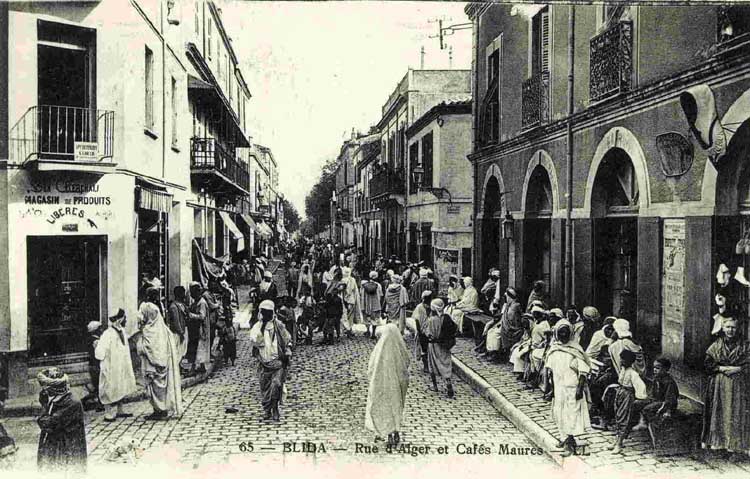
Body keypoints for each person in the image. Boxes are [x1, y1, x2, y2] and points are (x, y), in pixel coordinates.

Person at [701, 316, 750, 454]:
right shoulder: (716, 345)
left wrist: (738, 369)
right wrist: (721, 369)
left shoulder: (745, 345)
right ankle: (718, 441)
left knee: (736, 411)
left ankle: (735, 443)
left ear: (737, 328)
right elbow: (707, 364)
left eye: (733, 327)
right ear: (723, 328)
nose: (730, 330)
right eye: (728, 327)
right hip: (719, 384)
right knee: (719, 410)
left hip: (738, 384)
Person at [545, 320, 592, 457]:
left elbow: (583, 371)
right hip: (559, 388)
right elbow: (550, 372)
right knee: (559, 413)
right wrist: (551, 389)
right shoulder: (554, 349)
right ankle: (564, 437)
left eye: (566, 332)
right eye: (561, 332)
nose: (563, 335)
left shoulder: (575, 350)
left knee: (571, 414)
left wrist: (579, 388)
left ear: (570, 333)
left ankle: (570, 443)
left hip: (572, 388)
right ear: (556, 334)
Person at [365, 323, 410, 447]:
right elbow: (407, 362)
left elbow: (371, 368)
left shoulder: (379, 349)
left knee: (386, 408)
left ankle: (389, 433)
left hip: (383, 385)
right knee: (396, 406)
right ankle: (396, 432)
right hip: (398, 384)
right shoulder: (400, 347)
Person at [136, 302, 183, 420]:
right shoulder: (163, 329)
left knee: (155, 386)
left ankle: (160, 410)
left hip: (153, 365)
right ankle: (160, 409)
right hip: (161, 363)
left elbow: (145, 348)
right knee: (159, 386)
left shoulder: (148, 330)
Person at [36, 368, 87, 472]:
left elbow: (47, 423)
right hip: (55, 443)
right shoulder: (54, 398)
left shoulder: (71, 403)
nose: (43, 391)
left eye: (45, 388)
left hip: (67, 447)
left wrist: (45, 408)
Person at [249, 300, 292, 421]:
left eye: (268, 312)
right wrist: (262, 329)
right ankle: (267, 410)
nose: (266, 315)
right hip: (264, 363)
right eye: (264, 312)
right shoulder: (257, 326)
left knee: (276, 385)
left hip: (277, 362)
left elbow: (287, 339)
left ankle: (275, 409)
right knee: (265, 388)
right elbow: (255, 341)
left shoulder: (279, 326)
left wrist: (287, 352)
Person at [94, 309, 136, 422]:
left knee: (121, 385)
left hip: (121, 365)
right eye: (124, 318)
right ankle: (108, 413)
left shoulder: (121, 331)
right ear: (119, 320)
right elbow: (100, 351)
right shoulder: (108, 334)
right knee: (109, 387)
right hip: (111, 365)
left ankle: (120, 410)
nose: (126, 320)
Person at [610, 349, 648, 454]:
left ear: (629, 362)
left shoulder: (633, 373)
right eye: (621, 359)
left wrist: (639, 397)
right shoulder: (623, 370)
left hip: (627, 396)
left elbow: (641, 386)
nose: (621, 362)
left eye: (624, 360)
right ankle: (617, 440)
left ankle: (619, 444)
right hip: (620, 394)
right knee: (618, 417)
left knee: (623, 419)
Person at [631, 356, 679, 432]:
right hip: (655, 400)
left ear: (666, 370)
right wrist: (648, 399)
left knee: (647, 409)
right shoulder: (656, 379)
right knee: (637, 403)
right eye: (654, 368)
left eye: (658, 368)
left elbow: (670, 398)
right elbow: (653, 393)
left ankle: (647, 424)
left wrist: (667, 410)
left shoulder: (669, 382)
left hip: (664, 403)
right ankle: (640, 421)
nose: (655, 370)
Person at [425, 298, 458, 398]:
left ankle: (435, 386)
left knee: (432, 365)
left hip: (434, 346)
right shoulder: (447, 318)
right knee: (445, 364)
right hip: (444, 346)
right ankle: (448, 383)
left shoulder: (431, 320)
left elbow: (428, 333)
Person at [188, 282, 211, 375]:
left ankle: (194, 368)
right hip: (197, 328)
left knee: (198, 348)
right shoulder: (197, 302)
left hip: (201, 329)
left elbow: (202, 316)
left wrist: (191, 315)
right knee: (199, 348)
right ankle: (201, 367)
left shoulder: (202, 303)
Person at [409, 290, 433, 373]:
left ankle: (431, 364)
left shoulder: (432, 307)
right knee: (424, 348)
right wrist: (419, 331)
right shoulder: (419, 307)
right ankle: (426, 365)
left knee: (430, 348)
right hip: (422, 330)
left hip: (430, 330)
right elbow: (417, 320)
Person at [167, 286, 189, 363]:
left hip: (183, 329)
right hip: (177, 333)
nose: (185, 295)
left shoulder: (182, 304)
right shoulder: (174, 307)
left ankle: (179, 365)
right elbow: (176, 322)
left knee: (182, 350)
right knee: (177, 350)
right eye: (183, 293)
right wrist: (181, 333)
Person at [361, 271, 384, 339]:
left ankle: (367, 331)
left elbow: (362, 295)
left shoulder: (364, 285)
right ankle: (373, 333)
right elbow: (381, 295)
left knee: (366, 318)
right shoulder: (378, 285)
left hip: (366, 305)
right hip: (375, 305)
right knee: (375, 319)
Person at [340, 267, 362, 338]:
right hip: (352, 300)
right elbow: (355, 291)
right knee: (350, 316)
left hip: (344, 300)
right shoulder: (352, 280)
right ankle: (349, 329)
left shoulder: (342, 280)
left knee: (345, 315)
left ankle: (347, 329)